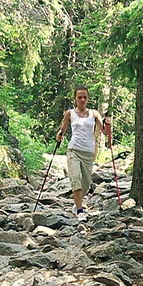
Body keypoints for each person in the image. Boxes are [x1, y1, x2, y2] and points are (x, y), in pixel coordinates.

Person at [56, 85, 110, 221]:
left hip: (88, 152)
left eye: (84, 97)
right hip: (73, 149)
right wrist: (60, 135)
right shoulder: (70, 113)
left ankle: (77, 205)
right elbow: (62, 129)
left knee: (85, 184)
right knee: (76, 179)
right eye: (79, 97)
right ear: (75, 99)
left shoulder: (94, 114)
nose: (82, 99)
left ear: (88, 98)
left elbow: (105, 133)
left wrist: (108, 125)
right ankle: (80, 210)